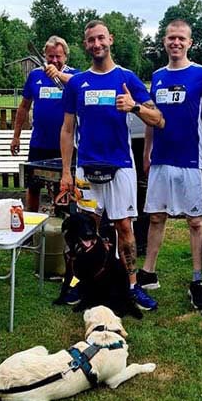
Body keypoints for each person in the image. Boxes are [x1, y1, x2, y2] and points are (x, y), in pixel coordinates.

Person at [60, 20, 165, 311]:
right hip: (86, 168)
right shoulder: (77, 83)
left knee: (124, 227)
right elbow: (67, 130)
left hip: (120, 166)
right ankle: (84, 281)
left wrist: (134, 106)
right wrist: (66, 173)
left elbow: (159, 119)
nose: (96, 44)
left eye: (101, 38)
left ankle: (132, 285)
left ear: (111, 40)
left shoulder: (127, 78)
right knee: (86, 229)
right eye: (91, 40)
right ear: (86, 45)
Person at [136, 19, 202, 311]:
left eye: (181, 38)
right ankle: (147, 273)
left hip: (190, 161)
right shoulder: (157, 75)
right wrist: (147, 151)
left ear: (190, 42)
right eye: (171, 37)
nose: (176, 42)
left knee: (195, 221)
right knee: (157, 217)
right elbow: (151, 115)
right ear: (164, 41)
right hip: (161, 159)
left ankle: (197, 279)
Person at [11, 36, 78, 212]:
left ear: (65, 56)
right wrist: (16, 137)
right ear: (44, 56)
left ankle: (63, 228)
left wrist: (59, 75)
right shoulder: (35, 76)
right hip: (39, 143)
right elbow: (24, 107)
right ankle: (32, 228)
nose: (54, 60)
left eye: (58, 56)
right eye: (50, 57)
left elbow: (80, 86)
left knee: (63, 189)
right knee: (33, 187)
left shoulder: (75, 75)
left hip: (65, 146)